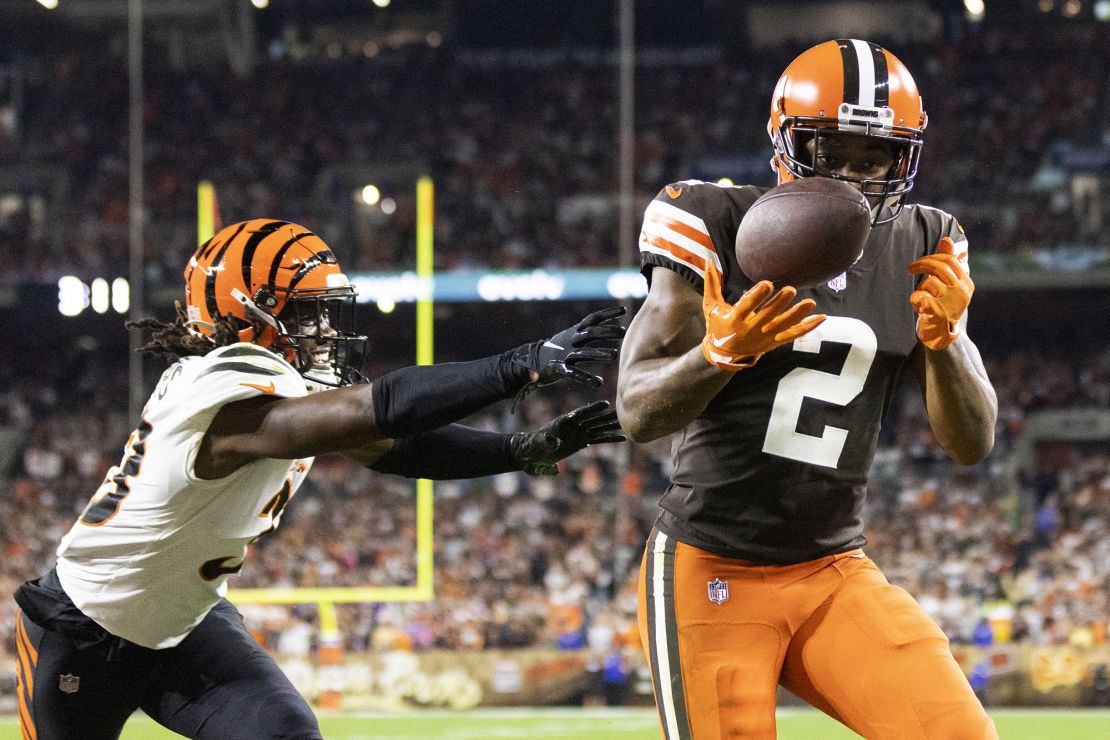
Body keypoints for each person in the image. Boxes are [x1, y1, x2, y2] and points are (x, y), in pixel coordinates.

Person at [13, 218, 626, 739]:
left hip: (186, 624)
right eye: (310, 314)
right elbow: (377, 409)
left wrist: (519, 449)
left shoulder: (280, 390)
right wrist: (519, 365)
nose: (327, 329)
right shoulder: (224, 388)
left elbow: (396, 447)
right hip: (86, 627)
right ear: (252, 313)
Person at [617, 40, 998, 739]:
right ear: (786, 146)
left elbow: (970, 443)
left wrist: (949, 344)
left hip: (831, 568)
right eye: (830, 150)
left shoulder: (928, 241)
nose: (852, 174)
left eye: (874, 155)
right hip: (712, 566)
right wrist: (719, 354)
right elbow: (638, 410)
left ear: (903, 160)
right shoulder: (710, 220)